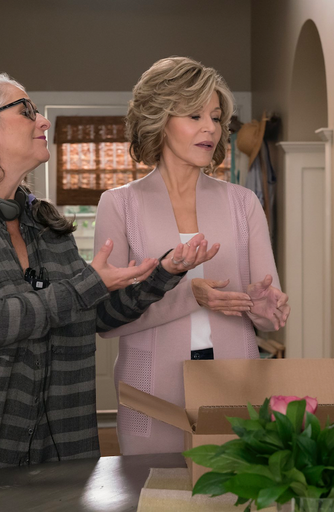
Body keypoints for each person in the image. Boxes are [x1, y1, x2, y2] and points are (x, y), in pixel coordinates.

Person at [0, 74, 218, 494]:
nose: (42, 122)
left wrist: (162, 274)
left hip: (36, 456)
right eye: (26, 110)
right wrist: (88, 284)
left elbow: (89, 314)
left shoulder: (40, 219)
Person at [94, 57, 290, 455]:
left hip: (237, 385)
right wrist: (190, 295)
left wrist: (266, 307)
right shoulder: (119, 205)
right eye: (194, 114)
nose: (210, 128)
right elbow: (108, 321)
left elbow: (267, 313)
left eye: (217, 117)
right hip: (150, 392)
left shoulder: (244, 203)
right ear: (159, 119)